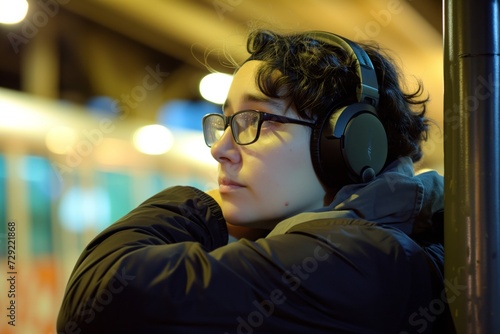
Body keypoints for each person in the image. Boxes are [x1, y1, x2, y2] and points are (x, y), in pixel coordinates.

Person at [57, 29, 454, 333]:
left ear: (348, 145)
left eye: (255, 122)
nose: (220, 150)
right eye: (227, 123)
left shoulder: (362, 262)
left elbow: (100, 298)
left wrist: (204, 205)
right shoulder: (399, 235)